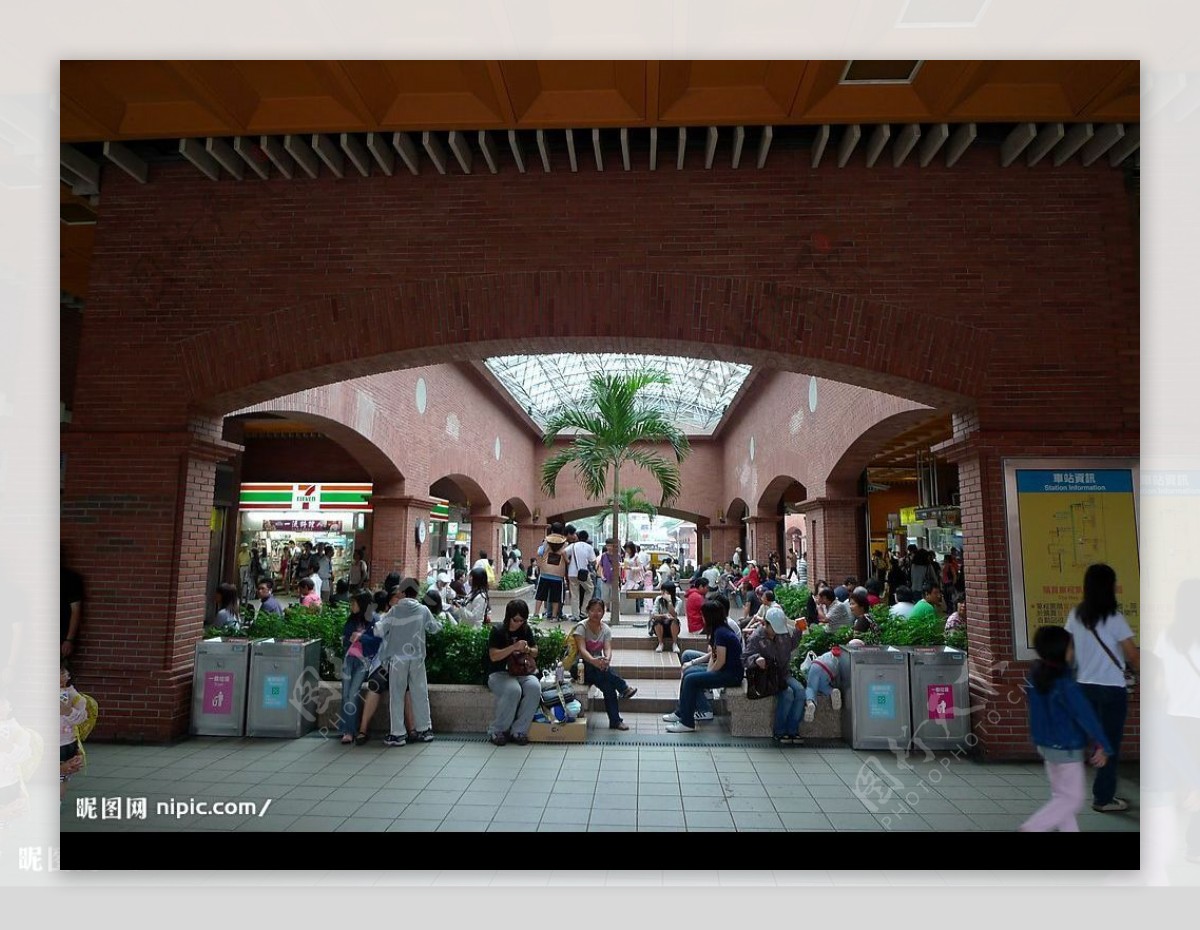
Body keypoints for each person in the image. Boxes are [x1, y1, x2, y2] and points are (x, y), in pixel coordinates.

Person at [1019, 624, 1113, 832]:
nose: (1073, 651)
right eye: (1071, 647)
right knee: (1073, 800)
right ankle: (1031, 828)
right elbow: (1085, 715)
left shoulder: (1035, 677)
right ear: (1061, 651)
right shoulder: (1065, 684)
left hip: (1046, 746)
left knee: (1061, 798)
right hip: (1067, 748)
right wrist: (1102, 744)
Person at [1065, 563, 1139, 813]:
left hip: (1084, 688)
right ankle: (1103, 798)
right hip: (1111, 689)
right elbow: (1132, 655)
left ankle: (1097, 785)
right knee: (1110, 744)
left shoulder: (1076, 615)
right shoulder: (1114, 618)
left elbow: (1069, 654)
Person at [372, 577, 443, 746]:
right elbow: (433, 628)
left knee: (397, 695)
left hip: (397, 658)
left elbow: (379, 631)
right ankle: (425, 729)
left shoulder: (395, 610)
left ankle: (398, 734)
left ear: (402, 592)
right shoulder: (423, 610)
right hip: (417, 657)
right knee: (420, 693)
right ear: (417, 592)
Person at [666, 600, 744, 733]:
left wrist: (708, 677)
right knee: (689, 673)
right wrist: (704, 672)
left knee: (691, 679)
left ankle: (687, 723)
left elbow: (720, 661)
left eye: (703, 615)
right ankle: (681, 713)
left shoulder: (721, 633)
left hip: (731, 675)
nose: (701, 618)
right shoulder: (719, 630)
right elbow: (714, 657)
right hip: (726, 670)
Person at [572, 598, 637, 730]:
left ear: (603, 612)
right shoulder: (581, 627)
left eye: (599, 610)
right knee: (602, 671)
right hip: (580, 667)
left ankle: (615, 721)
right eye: (592, 610)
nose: (596, 613)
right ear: (587, 611)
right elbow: (582, 650)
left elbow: (607, 648)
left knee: (608, 686)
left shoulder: (605, 629)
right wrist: (594, 661)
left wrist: (606, 659)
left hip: (598, 667)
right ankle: (623, 688)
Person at [744, 606, 803, 744]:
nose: (775, 633)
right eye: (773, 629)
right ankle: (780, 731)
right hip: (768, 676)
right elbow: (744, 658)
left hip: (783, 673)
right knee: (787, 694)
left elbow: (791, 645)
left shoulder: (783, 634)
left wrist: (798, 631)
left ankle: (793, 730)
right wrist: (756, 659)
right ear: (766, 624)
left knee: (800, 691)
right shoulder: (756, 637)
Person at [486, 599, 541, 746]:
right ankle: (497, 730)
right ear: (508, 617)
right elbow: (493, 656)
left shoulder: (525, 629)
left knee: (534, 687)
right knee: (513, 690)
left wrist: (527, 649)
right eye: (516, 620)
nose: (518, 623)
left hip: (522, 672)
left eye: (522, 620)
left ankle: (519, 730)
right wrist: (513, 647)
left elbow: (535, 652)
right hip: (499, 673)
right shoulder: (498, 631)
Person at [338, 593, 380, 745]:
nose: (352, 607)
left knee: (352, 693)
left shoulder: (374, 619)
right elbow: (346, 636)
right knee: (345, 694)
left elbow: (377, 641)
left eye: (354, 603)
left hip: (364, 661)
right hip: (349, 659)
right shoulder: (352, 619)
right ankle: (346, 729)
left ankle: (350, 730)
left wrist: (361, 637)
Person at [59, 660, 90, 800]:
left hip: (66, 741)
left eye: (61, 672)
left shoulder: (74, 696)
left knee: (62, 776)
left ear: (67, 676)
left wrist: (68, 711)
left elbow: (82, 717)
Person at [534, 527, 570, 621]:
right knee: (556, 597)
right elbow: (567, 560)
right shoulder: (565, 544)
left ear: (552, 531)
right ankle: (554, 617)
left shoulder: (546, 542)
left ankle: (536, 614)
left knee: (540, 595)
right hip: (558, 575)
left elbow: (539, 552)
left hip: (545, 572)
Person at [803, 645, 843, 723]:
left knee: (811, 687)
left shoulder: (831, 652)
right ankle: (832, 691)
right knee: (823, 686)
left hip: (818, 664)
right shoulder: (844, 657)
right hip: (829, 672)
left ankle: (810, 703)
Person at [567, 528, 595, 623]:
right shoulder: (589, 547)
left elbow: (563, 552)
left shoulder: (573, 546)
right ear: (587, 538)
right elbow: (593, 560)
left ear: (578, 537)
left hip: (572, 573)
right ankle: (583, 612)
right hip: (583, 573)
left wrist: (568, 561)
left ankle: (575, 615)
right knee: (590, 589)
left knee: (575, 594)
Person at [650, 581, 681, 653]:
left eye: (664, 591)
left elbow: (674, 615)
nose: (662, 593)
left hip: (672, 627)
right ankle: (660, 643)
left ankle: (674, 643)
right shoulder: (658, 599)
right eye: (662, 590)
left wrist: (669, 602)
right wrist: (664, 616)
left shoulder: (678, 601)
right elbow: (653, 615)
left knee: (675, 621)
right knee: (657, 622)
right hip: (660, 627)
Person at [596, 538, 618, 605]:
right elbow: (601, 566)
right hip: (605, 580)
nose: (609, 547)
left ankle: (613, 614)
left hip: (614, 580)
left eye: (611, 546)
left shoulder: (617, 555)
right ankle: (604, 613)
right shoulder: (603, 556)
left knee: (614, 598)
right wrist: (602, 576)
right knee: (604, 598)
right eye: (608, 546)